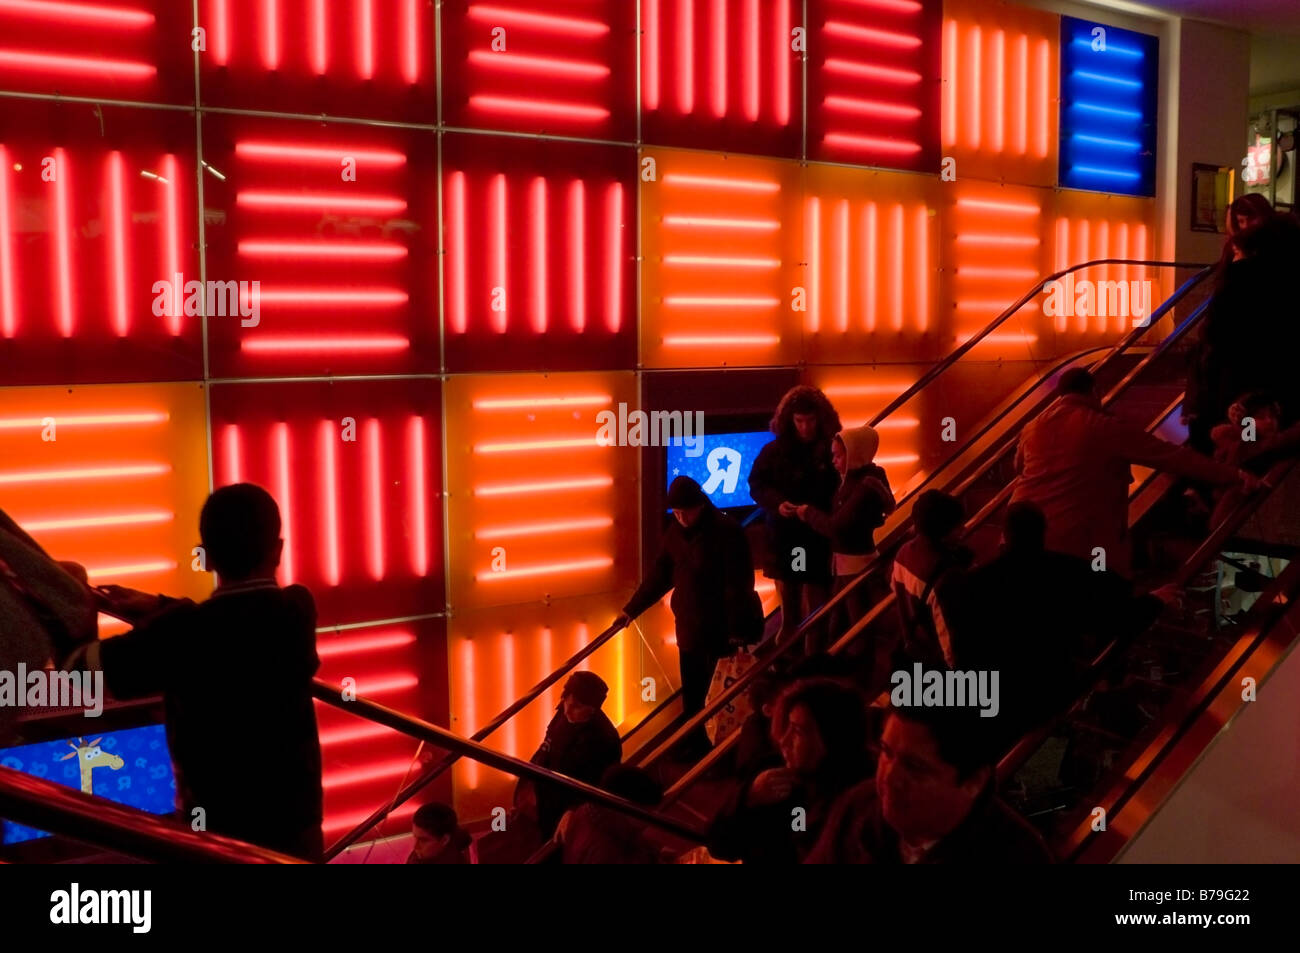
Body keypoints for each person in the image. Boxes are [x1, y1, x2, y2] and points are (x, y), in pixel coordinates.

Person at [70, 484, 324, 861]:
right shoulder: (297, 610)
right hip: (296, 836)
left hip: (216, 841)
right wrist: (162, 607)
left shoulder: (181, 636)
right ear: (278, 549)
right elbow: (238, 622)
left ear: (205, 558)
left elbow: (81, 671)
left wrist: (68, 598)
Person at [944, 502, 1174, 749]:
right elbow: (1115, 615)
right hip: (1049, 689)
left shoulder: (974, 585)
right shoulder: (1068, 572)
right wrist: (1154, 600)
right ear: (1043, 532)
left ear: (1005, 535)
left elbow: (962, 648)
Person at [1011, 368, 1252, 578]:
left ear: (1061, 394)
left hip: (1022, 533)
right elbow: (1173, 457)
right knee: (1094, 601)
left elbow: (1018, 467)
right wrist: (1234, 474)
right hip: (1079, 541)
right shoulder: (1104, 426)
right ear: (1094, 391)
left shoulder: (1033, 426)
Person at [615, 475, 763, 754]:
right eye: (677, 512)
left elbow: (738, 584)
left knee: (714, 694)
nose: (681, 517)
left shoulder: (726, 532)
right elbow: (660, 575)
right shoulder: (679, 532)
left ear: (700, 505)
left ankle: (711, 750)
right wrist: (631, 610)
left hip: (719, 630)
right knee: (695, 693)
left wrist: (736, 630)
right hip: (690, 627)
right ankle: (698, 747)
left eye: (686, 511)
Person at [805, 704, 1051, 864]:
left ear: (974, 782)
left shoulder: (1019, 856)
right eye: (886, 752)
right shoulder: (859, 807)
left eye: (915, 767)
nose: (889, 778)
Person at [708, 678, 870, 864]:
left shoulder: (855, 802)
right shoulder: (771, 773)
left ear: (831, 739)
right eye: (787, 727)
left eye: (798, 731)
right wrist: (749, 797)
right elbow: (719, 845)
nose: (784, 741)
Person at [1184, 194, 1286, 450]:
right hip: (1247, 361)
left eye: (1248, 220)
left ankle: (1242, 460)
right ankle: (1240, 458)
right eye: (1239, 222)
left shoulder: (1243, 270)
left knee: (1245, 415)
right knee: (1241, 414)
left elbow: (1219, 322)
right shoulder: (1272, 261)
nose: (1244, 228)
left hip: (1244, 362)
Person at [748, 386, 842, 645]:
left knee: (816, 609)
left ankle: (810, 661)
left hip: (814, 536)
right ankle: (792, 660)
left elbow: (841, 486)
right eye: (799, 421)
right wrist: (778, 504)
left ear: (819, 419)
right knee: (790, 612)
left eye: (810, 420)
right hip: (786, 536)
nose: (805, 427)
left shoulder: (829, 449)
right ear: (790, 420)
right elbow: (756, 484)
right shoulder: (774, 451)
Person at [793, 424, 895, 658]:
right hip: (845, 562)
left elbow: (836, 527)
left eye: (838, 455)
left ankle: (857, 675)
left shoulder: (865, 485)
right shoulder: (855, 479)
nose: (834, 461)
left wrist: (808, 513)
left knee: (857, 627)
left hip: (854, 565)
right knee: (841, 623)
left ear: (855, 453)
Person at [517, 670, 621, 838]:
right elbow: (546, 746)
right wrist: (525, 785)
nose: (567, 710)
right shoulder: (564, 715)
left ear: (593, 709)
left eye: (576, 706)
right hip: (547, 800)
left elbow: (600, 786)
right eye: (565, 701)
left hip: (566, 811)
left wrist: (573, 810)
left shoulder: (605, 740)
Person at [890, 490, 972, 669]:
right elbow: (949, 638)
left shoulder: (903, 554)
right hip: (935, 661)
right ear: (942, 532)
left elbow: (896, 590)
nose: (964, 529)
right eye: (957, 526)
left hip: (914, 649)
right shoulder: (946, 578)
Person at [553, 765, 665, 864]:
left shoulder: (590, 812)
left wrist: (654, 852)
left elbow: (630, 842)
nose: (649, 822)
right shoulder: (603, 850)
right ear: (629, 809)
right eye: (646, 814)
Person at [407, 802, 472, 864]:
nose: (415, 847)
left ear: (445, 840)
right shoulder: (422, 856)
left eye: (423, 840)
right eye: (415, 837)